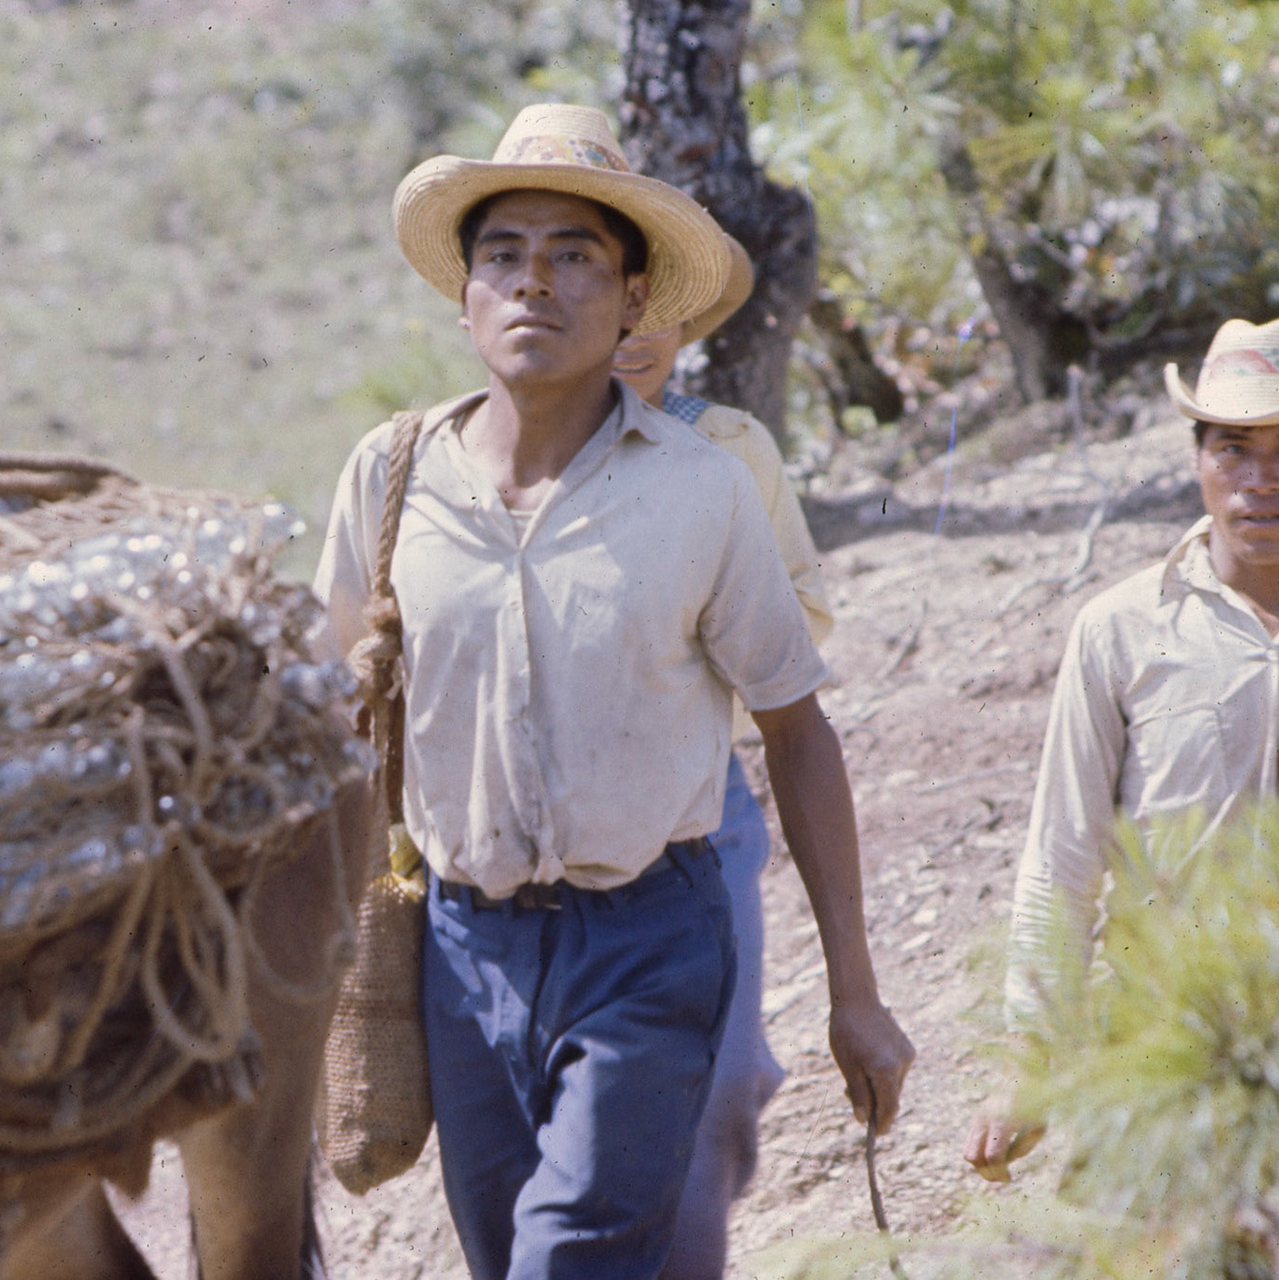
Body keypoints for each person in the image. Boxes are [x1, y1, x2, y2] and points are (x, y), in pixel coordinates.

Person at [316, 102, 913, 1279]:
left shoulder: (701, 488)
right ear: (465, 294)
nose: (535, 283)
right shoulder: (389, 480)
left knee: (568, 1256)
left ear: (638, 297)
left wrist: (856, 990)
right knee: (509, 1257)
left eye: (575, 255)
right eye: (504, 255)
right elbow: (336, 722)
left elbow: (796, 726)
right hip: (460, 946)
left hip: (650, 941)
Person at [966, 315, 1279, 1183]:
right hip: (1165, 1034)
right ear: (1197, 464)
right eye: (1232, 450)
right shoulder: (1121, 629)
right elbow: (1062, 857)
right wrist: (1029, 1060)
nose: (1261, 481)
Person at [613, 267, 832, 1279]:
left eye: (658, 311)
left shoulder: (731, 448)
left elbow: (800, 619)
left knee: (724, 1084)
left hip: (705, 792)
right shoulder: (480, 457)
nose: (635, 336)